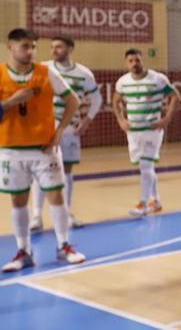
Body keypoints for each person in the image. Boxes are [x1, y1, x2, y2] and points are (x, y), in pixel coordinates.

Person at [1, 28, 86, 272]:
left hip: (44, 149)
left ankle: (64, 246)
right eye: (25, 46)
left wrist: (59, 132)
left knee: (56, 197)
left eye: (33, 47)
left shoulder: (46, 73)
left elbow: (73, 101)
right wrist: (11, 101)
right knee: (18, 201)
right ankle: (23, 251)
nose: (30, 51)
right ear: (10, 47)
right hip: (10, 150)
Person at [28, 36, 102, 232]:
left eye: (58, 47)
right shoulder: (43, 68)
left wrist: (86, 121)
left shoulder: (83, 73)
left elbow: (97, 99)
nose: (54, 50)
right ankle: (36, 216)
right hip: (44, 130)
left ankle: (67, 214)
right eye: (52, 47)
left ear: (70, 48)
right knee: (40, 172)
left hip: (69, 130)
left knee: (67, 173)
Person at [112, 48, 180, 217]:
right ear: (126, 64)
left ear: (142, 60)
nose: (135, 63)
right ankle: (155, 201)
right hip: (133, 131)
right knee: (145, 167)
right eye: (131, 61)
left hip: (152, 130)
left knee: (146, 165)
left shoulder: (157, 79)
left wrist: (166, 119)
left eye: (137, 60)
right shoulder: (123, 82)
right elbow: (116, 101)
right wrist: (121, 120)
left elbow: (175, 97)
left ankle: (143, 203)